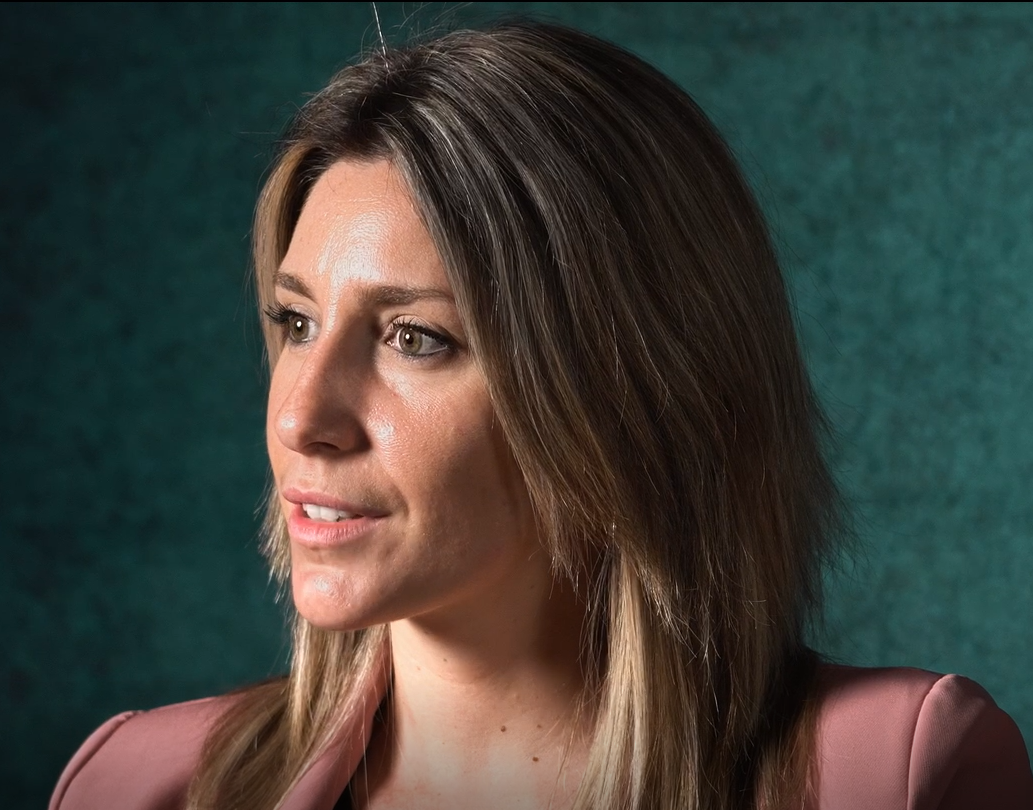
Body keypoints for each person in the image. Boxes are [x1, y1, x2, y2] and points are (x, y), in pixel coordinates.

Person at [49, 19, 1032, 810]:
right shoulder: (137, 785)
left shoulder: (897, 774)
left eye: (415, 338)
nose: (302, 419)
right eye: (296, 323)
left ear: (624, 394)